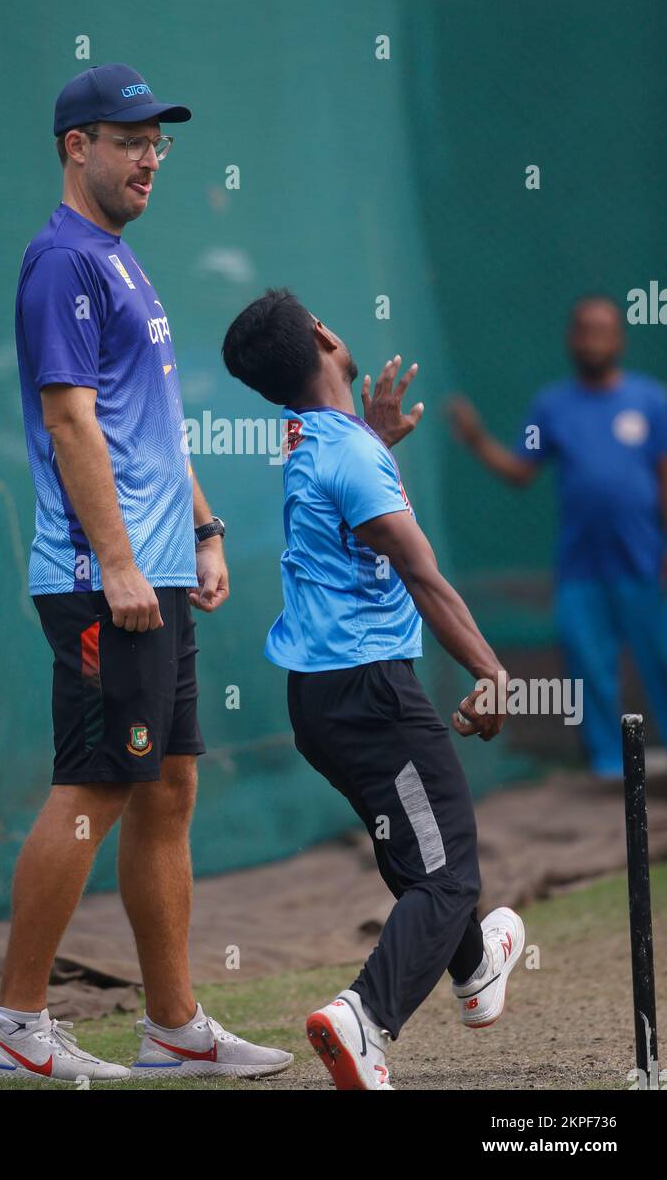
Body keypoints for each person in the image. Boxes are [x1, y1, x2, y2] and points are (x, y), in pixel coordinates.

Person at [0, 65, 292, 1084]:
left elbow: (146, 421)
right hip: (102, 580)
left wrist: (199, 528)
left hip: (152, 572)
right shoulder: (59, 261)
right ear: (76, 147)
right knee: (96, 786)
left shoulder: (118, 261)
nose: (150, 157)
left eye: (160, 142)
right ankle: (16, 1026)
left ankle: (174, 1027)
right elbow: (69, 421)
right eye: (129, 138)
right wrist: (115, 559)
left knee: (169, 788)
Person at [221, 288, 523, 1091]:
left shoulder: (322, 440)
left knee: (419, 850)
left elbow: (352, 493)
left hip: (323, 701)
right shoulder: (349, 455)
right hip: (372, 696)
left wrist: (376, 434)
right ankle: (364, 1021)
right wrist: (492, 674)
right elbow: (422, 575)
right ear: (324, 334)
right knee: (449, 872)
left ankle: (475, 968)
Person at [448, 295, 667, 778]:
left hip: (646, 564)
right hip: (580, 569)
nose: (593, 340)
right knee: (589, 668)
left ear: (619, 339)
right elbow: (521, 469)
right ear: (572, 339)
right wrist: (478, 438)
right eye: (584, 330)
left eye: (603, 330)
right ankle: (612, 770)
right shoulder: (550, 408)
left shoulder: (651, 402)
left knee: (661, 658)